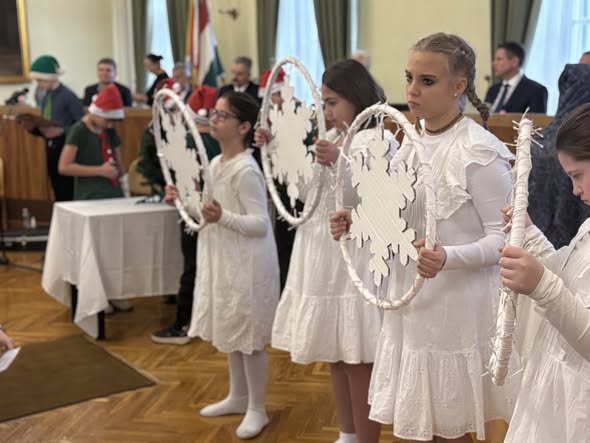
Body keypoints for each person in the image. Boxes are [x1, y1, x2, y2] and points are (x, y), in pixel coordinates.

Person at [331, 33, 520, 442]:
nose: (412, 90)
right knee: (423, 422)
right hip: (414, 301)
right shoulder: (411, 141)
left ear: (459, 86)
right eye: (409, 78)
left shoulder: (478, 151)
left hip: (457, 307)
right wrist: (359, 219)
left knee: (450, 424)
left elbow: (504, 239)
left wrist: (448, 257)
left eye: (427, 81)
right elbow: (404, 215)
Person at [257, 59, 398, 443]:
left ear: (356, 97)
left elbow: (379, 195)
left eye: (333, 101)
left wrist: (339, 162)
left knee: (358, 358)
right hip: (321, 251)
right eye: (324, 102)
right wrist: (276, 149)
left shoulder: (377, 139)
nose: (327, 110)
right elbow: (307, 192)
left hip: (354, 254)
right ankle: (347, 433)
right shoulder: (333, 137)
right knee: (336, 353)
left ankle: (366, 437)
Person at [185, 92, 279, 439]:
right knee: (232, 328)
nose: (214, 119)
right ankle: (238, 396)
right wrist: (185, 200)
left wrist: (223, 217)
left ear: (243, 127)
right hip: (225, 259)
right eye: (214, 112)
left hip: (248, 263)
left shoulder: (246, 170)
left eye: (223, 115)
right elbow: (208, 211)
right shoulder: (215, 164)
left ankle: (257, 407)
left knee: (249, 338)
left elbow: (260, 224)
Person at [500, 102, 590, 443]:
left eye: (577, 175)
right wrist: (531, 236)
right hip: (558, 383)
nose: (575, 190)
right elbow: (569, 279)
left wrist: (541, 285)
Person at [148, 82, 220, 345]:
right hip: (218, 213)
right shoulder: (222, 142)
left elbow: (188, 184)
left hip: (195, 213)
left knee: (192, 268)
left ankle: (183, 323)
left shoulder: (188, 142)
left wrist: (181, 198)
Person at [58, 83, 131, 313]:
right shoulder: (79, 131)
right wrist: (100, 170)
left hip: (112, 195)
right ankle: (96, 297)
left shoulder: (109, 131)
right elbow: (64, 166)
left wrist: (121, 174)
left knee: (114, 248)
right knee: (95, 251)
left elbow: (119, 163)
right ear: (97, 113)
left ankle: (114, 292)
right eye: (108, 120)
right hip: (89, 197)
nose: (110, 125)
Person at [28, 55, 84, 201]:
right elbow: (48, 121)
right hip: (51, 147)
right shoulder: (45, 96)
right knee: (57, 189)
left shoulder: (68, 95)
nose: (38, 84)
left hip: (65, 146)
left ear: (51, 78)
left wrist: (61, 130)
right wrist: (33, 126)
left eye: (40, 80)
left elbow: (82, 124)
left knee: (66, 190)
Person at [484, 41, 548, 113]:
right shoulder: (492, 90)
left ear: (514, 61)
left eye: (499, 59)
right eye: (494, 59)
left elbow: (535, 119)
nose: (494, 63)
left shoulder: (536, 91)